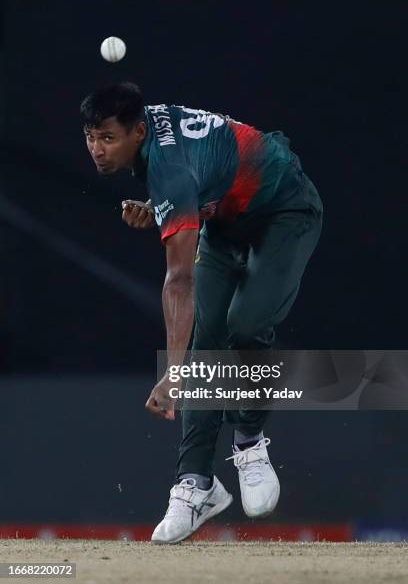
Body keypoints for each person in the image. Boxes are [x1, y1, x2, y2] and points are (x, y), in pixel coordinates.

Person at [80, 82, 323, 544]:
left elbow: (179, 281)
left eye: (108, 139)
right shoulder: (149, 131)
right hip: (225, 223)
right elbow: (199, 164)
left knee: (245, 325)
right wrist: (160, 210)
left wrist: (172, 375)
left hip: (283, 210)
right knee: (207, 340)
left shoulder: (168, 171)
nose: (97, 149)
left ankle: (249, 442)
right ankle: (196, 485)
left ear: (137, 131)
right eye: (91, 137)